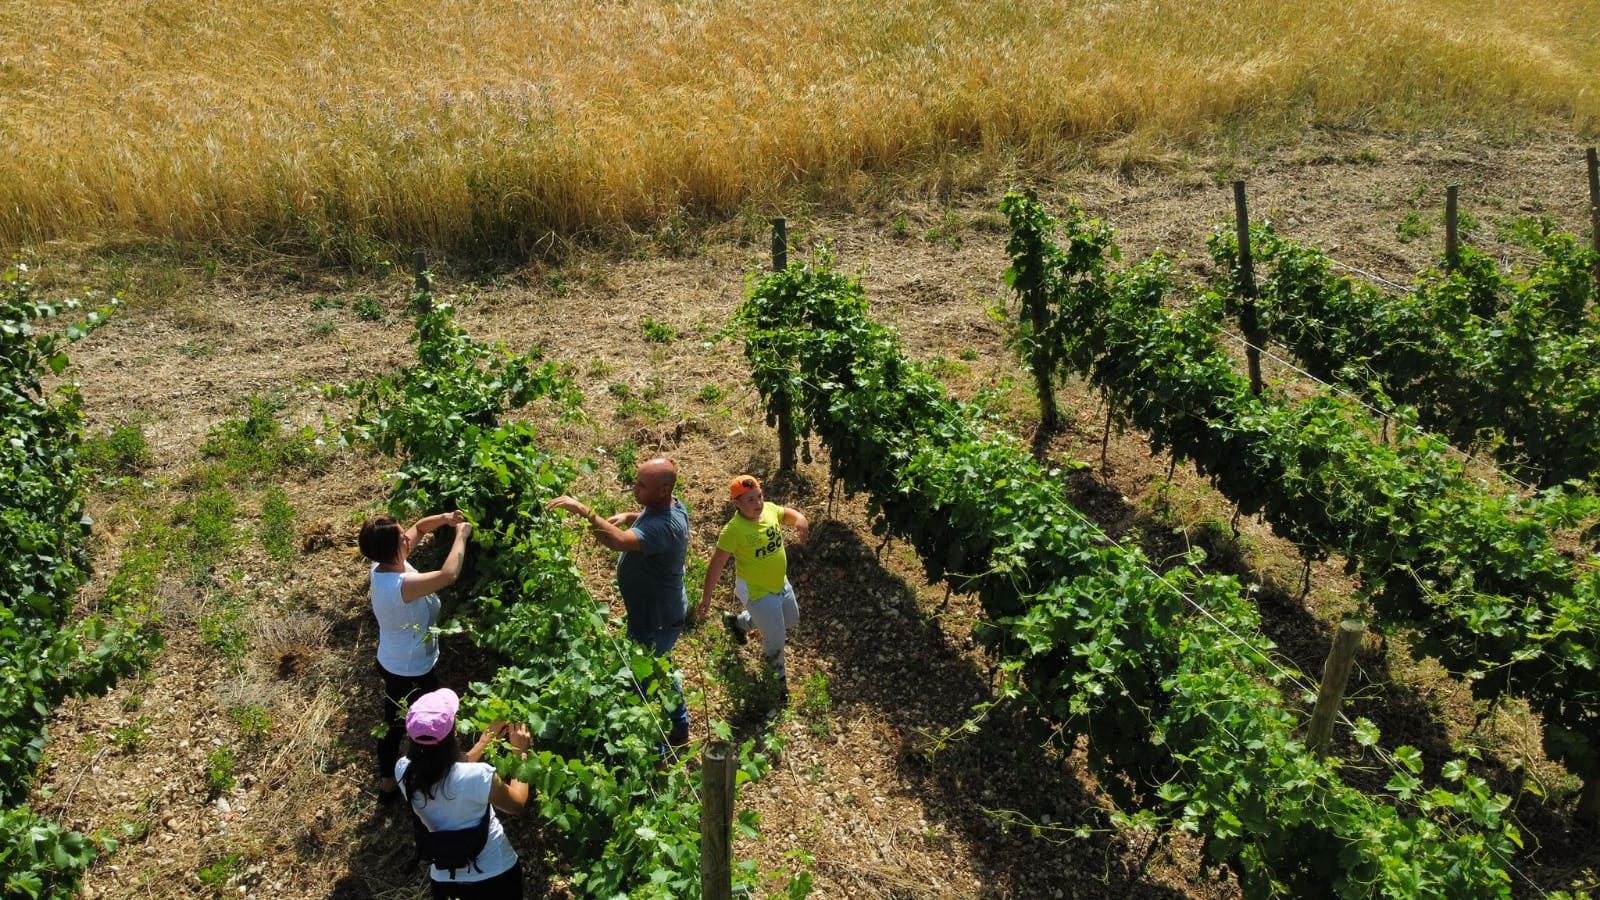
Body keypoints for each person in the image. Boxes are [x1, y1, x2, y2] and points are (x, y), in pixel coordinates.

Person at [546, 458, 691, 746]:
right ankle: (679, 725)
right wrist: (629, 515)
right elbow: (649, 516)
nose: (634, 488)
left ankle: (657, 747)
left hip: (657, 618)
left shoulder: (666, 526)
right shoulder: (670, 503)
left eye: (641, 485)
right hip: (653, 613)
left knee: (646, 684)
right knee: (661, 669)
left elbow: (618, 542)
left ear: (663, 490)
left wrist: (585, 511)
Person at [357, 510, 473, 803]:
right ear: (392, 548)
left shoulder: (383, 565)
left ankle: (387, 781)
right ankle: (439, 772)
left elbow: (420, 528)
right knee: (427, 719)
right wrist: (460, 535)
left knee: (393, 718)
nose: (407, 539)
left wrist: (446, 518)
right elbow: (449, 575)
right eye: (401, 537)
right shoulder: (401, 586)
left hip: (392, 660)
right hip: (411, 670)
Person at [397, 688, 530, 898]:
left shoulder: (404, 771)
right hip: (496, 872)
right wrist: (520, 752)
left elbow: (441, 768)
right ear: (454, 732)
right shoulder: (480, 777)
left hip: (445, 878)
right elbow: (517, 804)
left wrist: (483, 743)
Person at [698, 475, 808, 699]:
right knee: (775, 639)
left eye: (759, 497)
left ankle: (740, 623)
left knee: (791, 619)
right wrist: (706, 597)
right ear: (736, 505)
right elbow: (717, 563)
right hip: (758, 592)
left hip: (780, 583)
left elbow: (785, 513)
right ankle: (776, 683)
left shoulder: (768, 509)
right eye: (749, 500)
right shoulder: (734, 530)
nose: (757, 503)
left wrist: (800, 518)